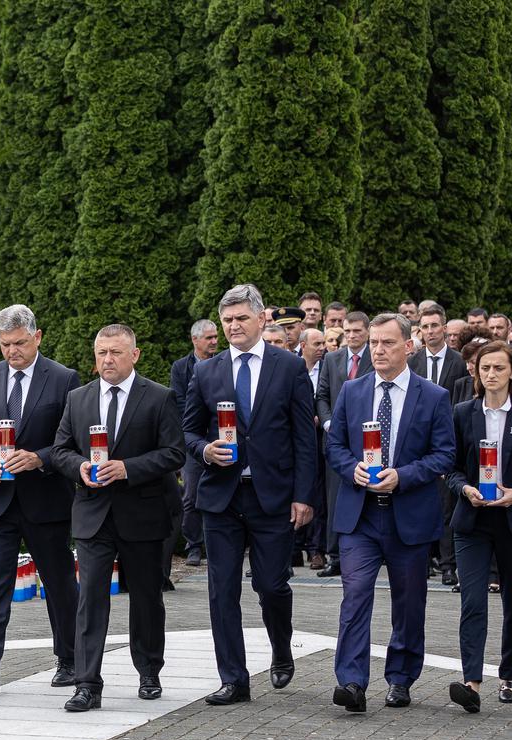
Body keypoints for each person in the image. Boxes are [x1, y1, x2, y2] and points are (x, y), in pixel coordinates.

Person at [184, 283, 317, 705]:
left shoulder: (288, 367)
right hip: (221, 497)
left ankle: (281, 648)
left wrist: (304, 495)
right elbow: (186, 430)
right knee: (222, 590)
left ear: (262, 319)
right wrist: (205, 450)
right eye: (228, 321)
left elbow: (304, 438)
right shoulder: (207, 371)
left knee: (272, 585)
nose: (235, 326)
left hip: (272, 496)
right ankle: (234, 679)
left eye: (242, 318)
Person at [326, 313, 457, 711]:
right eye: (374, 343)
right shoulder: (352, 390)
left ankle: (400, 679)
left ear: (408, 347)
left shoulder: (432, 396)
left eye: (387, 343)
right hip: (360, 515)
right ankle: (351, 682)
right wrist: (354, 469)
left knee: (409, 601)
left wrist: (402, 476)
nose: (378, 351)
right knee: (355, 596)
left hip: (408, 515)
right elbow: (334, 447)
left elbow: (445, 454)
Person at [53, 324, 184, 711]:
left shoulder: (159, 398)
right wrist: (78, 467)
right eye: (101, 353)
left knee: (145, 597)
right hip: (93, 514)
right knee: (90, 598)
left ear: (134, 355)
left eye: (115, 353)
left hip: (142, 512)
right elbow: (60, 450)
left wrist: (127, 468)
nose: (107, 360)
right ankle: (87, 683)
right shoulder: (78, 399)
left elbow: (174, 453)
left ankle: (148, 671)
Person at [0, 304, 81, 696]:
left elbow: (71, 440)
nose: (12, 351)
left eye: (20, 344)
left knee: (60, 584)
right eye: (5, 345)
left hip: (46, 500)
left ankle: (70, 660)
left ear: (37, 337)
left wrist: (40, 458)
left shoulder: (64, 379)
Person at [446, 340, 512, 712]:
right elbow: (451, 467)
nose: (490, 374)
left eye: (497, 368)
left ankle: (508, 675)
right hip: (473, 520)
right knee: (473, 601)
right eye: (484, 368)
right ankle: (471, 681)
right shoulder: (462, 412)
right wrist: (466, 488)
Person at [413, 301, 467, 587]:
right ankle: (421, 562)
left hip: (447, 440)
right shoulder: (413, 361)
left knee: (447, 505)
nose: (431, 331)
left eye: (435, 326)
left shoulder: (458, 362)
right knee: (421, 505)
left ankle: (448, 565)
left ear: (444, 328)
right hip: (418, 444)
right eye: (425, 327)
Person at [315, 310, 370, 576]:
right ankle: (333, 556)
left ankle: (362, 552)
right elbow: (322, 395)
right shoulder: (332, 358)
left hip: (368, 439)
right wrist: (328, 423)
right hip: (336, 439)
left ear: (367, 331)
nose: (351, 336)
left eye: (357, 331)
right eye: (347, 332)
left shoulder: (375, 357)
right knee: (333, 496)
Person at [170, 319, 220, 567]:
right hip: (192, 440)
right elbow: (178, 402)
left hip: (218, 439)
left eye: (215, 337)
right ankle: (193, 545)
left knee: (220, 491)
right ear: (195, 340)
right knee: (190, 494)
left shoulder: (223, 363)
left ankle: (215, 542)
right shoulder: (181, 368)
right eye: (209, 338)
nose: (214, 341)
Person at [297, 328, 329, 568]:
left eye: (324, 343)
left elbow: (326, 397)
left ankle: (316, 549)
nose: (321, 348)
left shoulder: (327, 366)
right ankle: (294, 549)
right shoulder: (292, 367)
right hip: (295, 438)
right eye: (316, 343)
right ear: (303, 345)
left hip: (320, 438)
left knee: (317, 494)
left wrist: (319, 416)